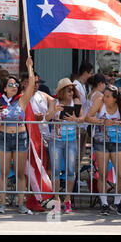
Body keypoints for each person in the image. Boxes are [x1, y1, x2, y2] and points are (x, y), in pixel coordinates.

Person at [0, 57, 35, 215]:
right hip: (3, 138)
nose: (14, 86)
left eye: (16, 85)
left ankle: (21, 204)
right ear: (5, 88)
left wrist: (29, 67)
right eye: (11, 85)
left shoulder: (21, 101)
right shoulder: (0, 103)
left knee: (20, 173)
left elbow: (32, 83)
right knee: (4, 173)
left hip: (20, 138)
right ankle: (3, 203)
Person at [86, 85, 121, 216]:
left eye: (107, 96)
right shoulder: (100, 102)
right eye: (104, 95)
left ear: (115, 98)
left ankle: (117, 203)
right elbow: (88, 117)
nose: (104, 98)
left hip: (118, 142)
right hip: (101, 142)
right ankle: (104, 203)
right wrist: (102, 121)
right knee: (103, 174)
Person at [45, 78, 85, 214]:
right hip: (55, 141)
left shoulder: (77, 102)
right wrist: (54, 111)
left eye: (73, 89)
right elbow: (46, 118)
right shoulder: (53, 102)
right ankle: (57, 200)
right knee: (55, 171)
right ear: (62, 91)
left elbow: (82, 119)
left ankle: (67, 200)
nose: (72, 92)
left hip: (71, 140)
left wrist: (75, 119)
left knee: (70, 171)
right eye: (69, 89)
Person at [21, 72, 55, 212]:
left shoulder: (42, 95)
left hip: (43, 137)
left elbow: (53, 100)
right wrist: (33, 117)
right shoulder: (23, 97)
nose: (36, 85)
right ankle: (32, 200)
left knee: (44, 169)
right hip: (29, 139)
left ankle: (41, 198)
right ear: (24, 83)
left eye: (37, 83)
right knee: (31, 171)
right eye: (33, 82)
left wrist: (48, 115)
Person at [73, 62, 94, 165]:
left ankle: (77, 177)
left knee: (81, 154)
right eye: (91, 73)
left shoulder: (85, 86)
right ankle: (74, 178)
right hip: (78, 125)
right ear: (85, 73)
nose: (91, 76)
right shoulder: (76, 85)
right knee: (76, 154)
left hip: (84, 125)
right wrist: (77, 124)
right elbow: (76, 106)